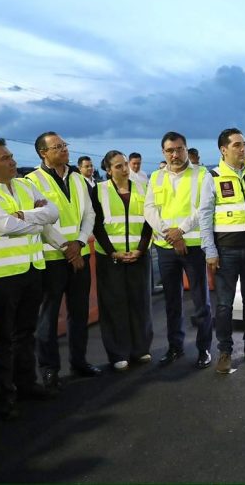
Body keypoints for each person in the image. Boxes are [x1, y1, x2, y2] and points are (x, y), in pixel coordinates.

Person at [0, 139, 60, 419]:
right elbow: (5, 226)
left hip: (32, 268)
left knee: (25, 332)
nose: (12, 161)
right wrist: (36, 217)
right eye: (4, 158)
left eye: (11, 156)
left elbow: (53, 213)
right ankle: (6, 397)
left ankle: (27, 384)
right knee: (3, 337)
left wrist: (23, 215)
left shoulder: (23, 184)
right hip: (1, 274)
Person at [27, 132, 101, 390]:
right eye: (57, 147)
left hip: (77, 252)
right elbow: (39, 221)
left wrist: (79, 243)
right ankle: (49, 369)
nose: (63, 150)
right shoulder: (31, 181)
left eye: (64, 145)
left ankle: (79, 362)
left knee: (78, 313)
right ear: (43, 153)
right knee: (47, 316)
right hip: (51, 258)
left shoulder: (79, 178)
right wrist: (65, 247)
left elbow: (89, 215)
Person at [200, 128, 245, 373]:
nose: (242, 149)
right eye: (237, 145)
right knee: (224, 305)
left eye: (244, 144)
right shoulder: (213, 176)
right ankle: (225, 351)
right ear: (223, 149)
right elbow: (205, 216)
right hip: (226, 251)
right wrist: (210, 250)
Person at [144, 131, 213, 369]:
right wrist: (170, 235)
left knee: (200, 300)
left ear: (186, 149)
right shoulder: (156, 177)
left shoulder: (202, 174)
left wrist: (180, 231)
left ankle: (204, 348)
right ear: (163, 152)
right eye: (170, 150)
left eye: (179, 149)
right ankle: (175, 347)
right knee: (172, 302)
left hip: (193, 246)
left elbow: (203, 208)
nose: (175, 154)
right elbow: (150, 209)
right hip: (165, 247)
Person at [91, 150, 154, 372]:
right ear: (108, 170)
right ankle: (118, 353)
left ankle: (140, 349)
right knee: (114, 306)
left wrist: (141, 249)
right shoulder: (98, 191)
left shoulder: (143, 188)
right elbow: (96, 225)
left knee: (140, 303)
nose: (125, 169)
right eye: (118, 166)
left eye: (125, 164)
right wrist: (111, 252)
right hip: (111, 259)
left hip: (139, 255)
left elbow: (149, 222)